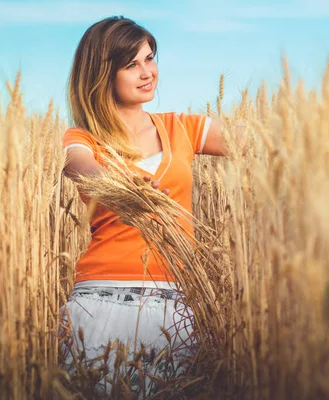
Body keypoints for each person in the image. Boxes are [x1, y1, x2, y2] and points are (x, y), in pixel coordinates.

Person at [59, 16, 226, 397]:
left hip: (172, 304)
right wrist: (121, 187)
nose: (147, 72)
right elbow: (80, 167)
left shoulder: (182, 127)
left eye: (150, 59)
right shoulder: (82, 137)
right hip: (99, 300)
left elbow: (271, 142)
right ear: (103, 73)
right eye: (131, 64)